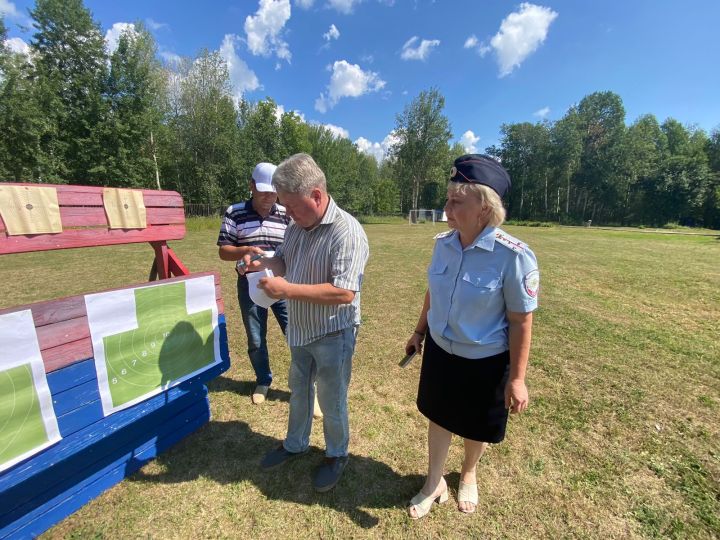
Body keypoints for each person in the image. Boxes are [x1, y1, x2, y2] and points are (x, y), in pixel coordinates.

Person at [405, 154, 539, 519]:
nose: (446, 208)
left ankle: (468, 473)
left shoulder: (513, 256)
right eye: (448, 200)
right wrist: (419, 331)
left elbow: (521, 321)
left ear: (484, 207)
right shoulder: (443, 244)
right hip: (441, 351)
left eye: (455, 201)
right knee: (438, 413)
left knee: (474, 421)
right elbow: (434, 291)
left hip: (484, 359)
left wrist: (518, 379)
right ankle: (434, 482)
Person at [238, 153, 369, 493]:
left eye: (293, 207)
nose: (288, 214)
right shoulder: (297, 226)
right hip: (301, 329)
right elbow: (284, 260)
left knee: (331, 398)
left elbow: (344, 293)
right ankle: (295, 443)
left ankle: (336, 454)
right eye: (285, 208)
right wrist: (261, 262)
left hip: (333, 332)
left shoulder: (347, 231)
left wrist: (286, 290)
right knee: (299, 391)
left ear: (316, 195)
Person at [217, 162, 290, 405]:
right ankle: (263, 380)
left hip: (282, 283)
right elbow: (224, 251)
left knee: (295, 333)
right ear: (251, 186)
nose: (269, 197)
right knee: (256, 338)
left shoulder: (286, 213)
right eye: (263, 191)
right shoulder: (235, 212)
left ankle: (305, 383)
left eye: (274, 191)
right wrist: (245, 250)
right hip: (249, 285)